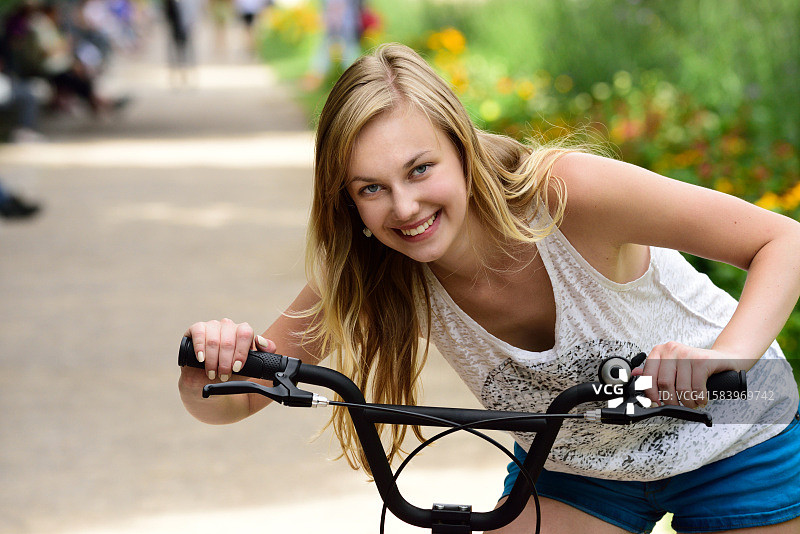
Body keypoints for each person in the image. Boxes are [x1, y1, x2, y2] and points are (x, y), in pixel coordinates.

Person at [178, 44, 800, 533]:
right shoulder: (374, 269)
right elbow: (227, 401)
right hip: (579, 465)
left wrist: (727, 357)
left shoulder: (563, 196)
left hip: (735, 433)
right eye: (370, 187)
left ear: (463, 148)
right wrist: (216, 357)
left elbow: (783, 241)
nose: (405, 207)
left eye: (420, 169)